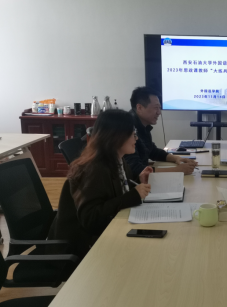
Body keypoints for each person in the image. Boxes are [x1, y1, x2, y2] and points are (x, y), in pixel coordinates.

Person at [49, 110, 152, 259]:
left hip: (105, 233)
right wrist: (133, 195)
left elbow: (114, 192)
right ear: (116, 137)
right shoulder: (94, 169)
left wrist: (138, 180)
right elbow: (91, 219)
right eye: (132, 134)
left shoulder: (117, 159)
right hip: (80, 249)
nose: (136, 138)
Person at [125, 87, 198, 176]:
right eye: (156, 108)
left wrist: (176, 158)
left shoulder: (142, 126)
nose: (159, 112)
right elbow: (135, 170)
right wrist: (178, 170)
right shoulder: (127, 129)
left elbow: (152, 151)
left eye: (159, 108)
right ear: (139, 108)